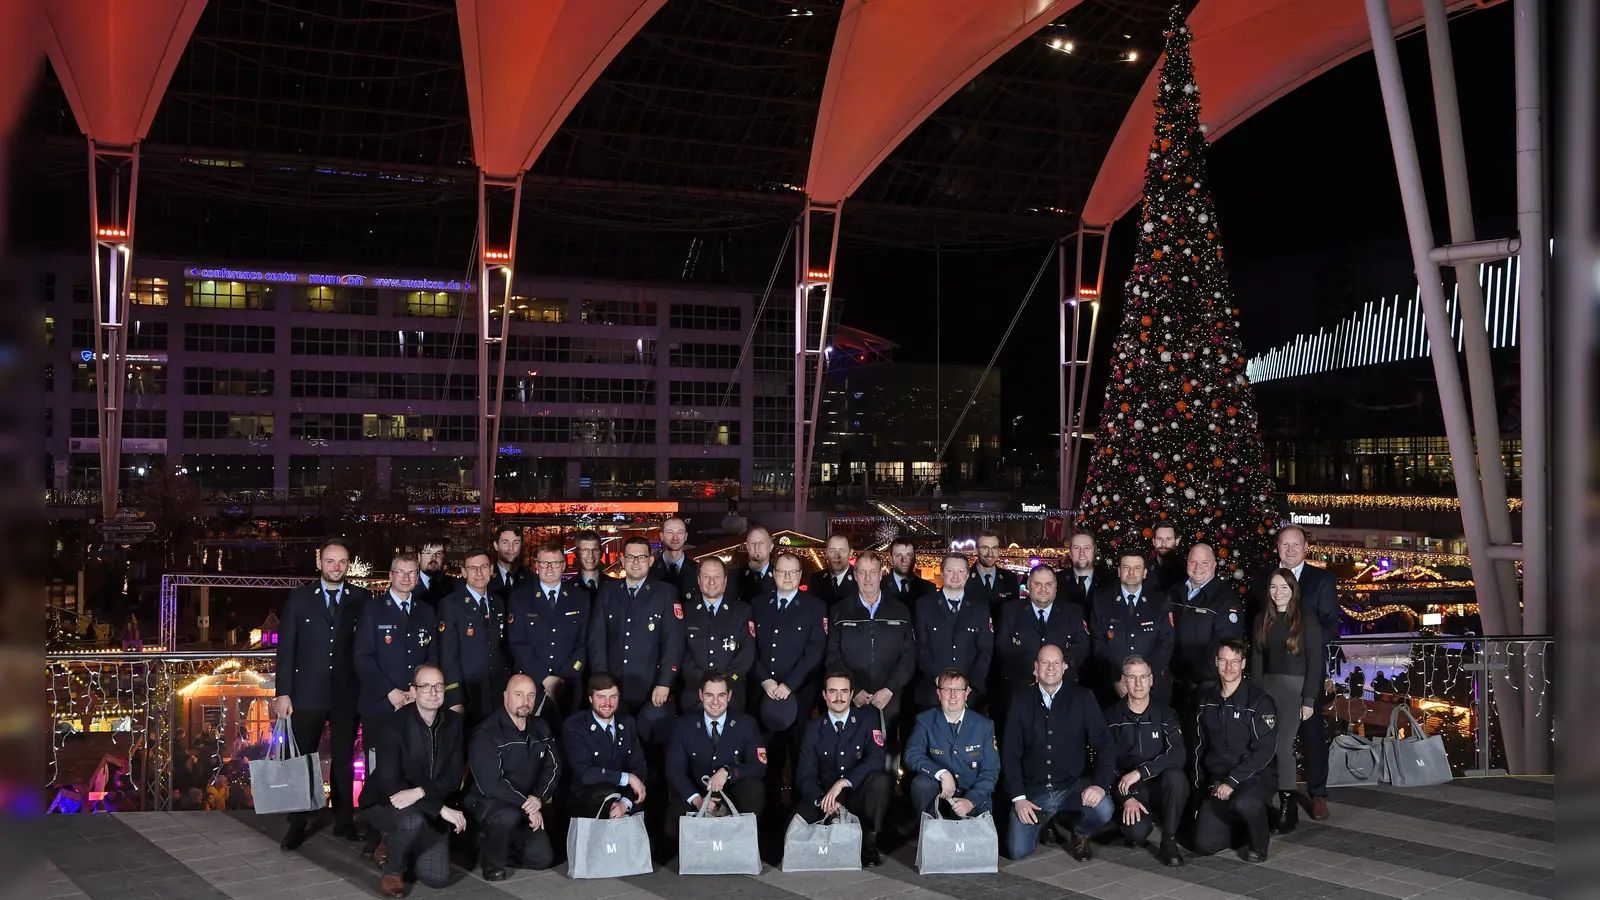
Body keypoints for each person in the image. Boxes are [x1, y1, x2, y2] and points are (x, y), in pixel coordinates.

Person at [274, 538, 371, 850]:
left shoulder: (362, 598)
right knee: (302, 760)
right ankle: (297, 824)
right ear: (319, 562)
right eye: (331, 561)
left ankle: (344, 821)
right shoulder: (299, 599)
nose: (336, 567)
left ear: (348, 564)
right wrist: (283, 693)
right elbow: (286, 650)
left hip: (347, 693)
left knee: (344, 760)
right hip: (306, 693)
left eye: (342, 562)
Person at [1249, 525, 1338, 820]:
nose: (1289, 550)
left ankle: (1318, 794)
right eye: (1284, 545)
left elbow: (1330, 625)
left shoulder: (1321, 579)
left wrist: (1299, 641)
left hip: (1303, 674)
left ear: (1304, 547)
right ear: (1277, 547)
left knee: (1312, 736)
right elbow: (1259, 630)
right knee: (1274, 740)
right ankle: (1274, 794)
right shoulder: (1265, 578)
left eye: (1295, 545)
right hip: (1273, 676)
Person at [353, 554, 440, 854]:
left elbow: (433, 655)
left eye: (411, 573)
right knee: (378, 770)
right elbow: (362, 657)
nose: (406, 578)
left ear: (417, 577)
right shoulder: (373, 610)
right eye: (400, 573)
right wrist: (389, 691)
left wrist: (419, 690)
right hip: (381, 706)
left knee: (412, 766)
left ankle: (406, 829)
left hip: (417, 704)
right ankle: (374, 832)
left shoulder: (427, 612)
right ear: (390, 575)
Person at [1000, 646, 1115, 862]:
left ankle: (1081, 833)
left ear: (1064, 668)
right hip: (1035, 791)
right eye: (1044, 663)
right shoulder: (1020, 700)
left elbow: (1105, 745)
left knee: (1104, 808)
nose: (1050, 668)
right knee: (1018, 852)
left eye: (1055, 663)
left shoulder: (1083, 697)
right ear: (1036, 668)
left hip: (1073, 787)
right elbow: (1010, 753)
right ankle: (1046, 821)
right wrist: (1019, 798)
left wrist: (1100, 784)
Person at [360, 664, 466, 898]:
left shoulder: (454, 723)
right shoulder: (392, 724)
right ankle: (393, 871)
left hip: (423, 802)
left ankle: (397, 844)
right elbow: (389, 782)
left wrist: (419, 793)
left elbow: (452, 776)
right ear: (413, 691)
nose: (433, 692)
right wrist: (439, 808)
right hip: (385, 802)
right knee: (411, 820)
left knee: (437, 878)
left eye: (438, 686)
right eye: (425, 686)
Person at [588, 535, 685, 743]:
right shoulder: (608, 591)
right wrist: (602, 681)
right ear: (622, 560)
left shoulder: (666, 593)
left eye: (641, 557)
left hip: (651, 687)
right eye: (630, 557)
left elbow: (673, 642)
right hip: (613, 686)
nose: (635, 562)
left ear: (650, 561)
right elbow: (596, 639)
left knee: (652, 742)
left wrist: (665, 682)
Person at [465, 674, 561, 881]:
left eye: (531, 695)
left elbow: (553, 768)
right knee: (507, 816)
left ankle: (489, 847)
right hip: (486, 803)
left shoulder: (541, 727)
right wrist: (528, 804)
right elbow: (491, 784)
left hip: (524, 805)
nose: (526, 701)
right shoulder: (486, 733)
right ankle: (493, 865)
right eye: (519, 695)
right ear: (505, 697)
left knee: (542, 858)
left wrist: (538, 799)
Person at [1250, 568, 1324, 835]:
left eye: (1284, 587)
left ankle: (1287, 807)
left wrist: (1309, 699)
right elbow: (1257, 661)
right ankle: (1271, 804)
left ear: (1293, 590)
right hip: (1266, 689)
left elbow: (1316, 663)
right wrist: (1254, 697)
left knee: (1282, 749)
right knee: (1265, 747)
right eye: (1273, 587)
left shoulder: (1307, 620)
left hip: (1294, 691)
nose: (1278, 592)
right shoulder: (1262, 618)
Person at [752, 551, 828, 805]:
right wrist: (765, 680)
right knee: (767, 759)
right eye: (781, 571)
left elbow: (814, 651)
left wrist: (789, 685)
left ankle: (799, 816)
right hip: (765, 695)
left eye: (792, 572)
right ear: (773, 574)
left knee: (800, 759)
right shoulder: (758, 604)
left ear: (799, 575)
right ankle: (770, 818)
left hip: (799, 695)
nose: (786, 577)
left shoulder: (815, 607)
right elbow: (750, 647)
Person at [1193, 637, 1278, 862]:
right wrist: (1201, 785)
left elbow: (1264, 751)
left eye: (1234, 661)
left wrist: (1232, 781)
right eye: (1223, 661)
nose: (1228, 667)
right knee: (1204, 845)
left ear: (1243, 664)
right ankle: (1242, 824)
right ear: (1216, 662)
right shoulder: (1206, 700)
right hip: (1219, 779)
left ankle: (1259, 841)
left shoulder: (1260, 702)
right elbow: (1199, 746)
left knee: (1245, 802)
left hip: (1254, 776)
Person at [794, 670, 891, 867]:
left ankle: (869, 842)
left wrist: (844, 782)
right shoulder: (813, 728)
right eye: (833, 691)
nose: (839, 697)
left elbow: (877, 758)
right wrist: (821, 799)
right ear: (824, 695)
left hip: (857, 790)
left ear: (851, 694)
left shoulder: (867, 718)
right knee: (795, 828)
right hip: (827, 794)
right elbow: (805, 775)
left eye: (844, 691)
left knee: (881, 781)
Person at [826, 553, 916, 754]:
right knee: (850, 749)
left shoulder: (899, 610)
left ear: (881, 574)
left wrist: (890, 689)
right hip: (851, 696)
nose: (867, 578)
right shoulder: (840, 611)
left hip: (889, 696)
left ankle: (889, 784)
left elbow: (909, 656)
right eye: (862, 572)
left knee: (889, 749)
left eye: (872, 572)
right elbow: (833, 656)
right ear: (855, 575)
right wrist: (853, 690)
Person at [663, 672, 767, 841]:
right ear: (700, 695)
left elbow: (759, 767)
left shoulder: (746, 724)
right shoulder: (683, 726)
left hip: (733, 794)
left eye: (721, 695)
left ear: (730, 696)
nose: (715, 702)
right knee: (672, 826)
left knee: (754, 791)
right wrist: (698, 801)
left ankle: (740, 842)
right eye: (709, 695)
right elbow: (675, 771)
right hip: (698, 792)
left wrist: (728, 771)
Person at [1106, 655, 1188, 866]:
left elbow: (1178, 755)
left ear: (1151, 680)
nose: (1138, 683)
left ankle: (1168, 840)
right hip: (1131, 790)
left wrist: (1141, 771)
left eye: (1143, 677)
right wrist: (1126, 798)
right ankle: (1140, 820)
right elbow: (1105, 763)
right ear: (1124, 680)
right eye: (1132, 678)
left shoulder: (1167, 714)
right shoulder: (1111, 717)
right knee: (1136, 834)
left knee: (1177, 777)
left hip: (1160, 784)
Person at [507, 542, 590, 720]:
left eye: (555, 563)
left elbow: (584, 643)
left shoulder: (579, 597)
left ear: (563, 565)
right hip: (531, 685)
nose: (549, 568)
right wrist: (545, 678)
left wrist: (563, 678)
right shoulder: (520, 598)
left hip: (569, 684)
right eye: (544, 563)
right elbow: (518, 643)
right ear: (536, 566)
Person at [1168, 543, 1244, 729]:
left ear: (1214, 565)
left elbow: (1225, 645)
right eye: (1193, 561)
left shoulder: (1225, 599)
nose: (1197, 567)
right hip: (1171, 683)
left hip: (1204, 686)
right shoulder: (1173, 593)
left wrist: (1198, 679)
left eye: (1204, 562)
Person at [1087, 551, 1175, 710]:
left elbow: (1166, 642)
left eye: (1137, 568)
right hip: (1112, 688)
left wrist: (1144, 679)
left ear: (1145, 572)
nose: (1131, 573)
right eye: (1126, 567)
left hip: (1153, 686)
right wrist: (1116, 680)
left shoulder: (1160, 600)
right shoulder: (1101, 599)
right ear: (1119, 571)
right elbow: (1098, 642)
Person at [994, 565, 1090, 706]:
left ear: (1056, 586)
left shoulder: (1074, 612)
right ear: (1028, 585)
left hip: (1065, 690)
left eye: (1048, 584)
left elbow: (1083, 645)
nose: (1043, 589)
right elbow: (1002, 646)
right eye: (1037, 584)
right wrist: (1035, 669)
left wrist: (1060, 667)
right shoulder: (1010, 611)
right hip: (1021, 689)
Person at [438, 548, 510, 728]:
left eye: (484, 567)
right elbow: (447, 655)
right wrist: (454, 697)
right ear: (463, 572)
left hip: (497, 690)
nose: (479, 573)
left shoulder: (498, 602)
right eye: (473, 568)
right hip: (468, 692)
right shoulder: (450, 604)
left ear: (492, 570)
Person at [562, 672, 649, 818]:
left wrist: (625, 802)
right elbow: (585, 773)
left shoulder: (627, 723)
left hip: (624, 801)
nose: (607, 703)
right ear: (590, 698)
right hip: (587, 801)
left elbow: (638, 767)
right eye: (601, 697)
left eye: (613, 697)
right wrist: (627, 778)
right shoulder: (574, 726)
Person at [914, 554, 994, 710]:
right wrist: (940, 681)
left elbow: (985, 650)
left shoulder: (980, 607)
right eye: (950, 570)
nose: (955, 576)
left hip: (970, 695)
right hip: (933, 692)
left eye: (961, 571)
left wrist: (967, 686)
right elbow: (921, 647)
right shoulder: (924, 605)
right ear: (942, 573)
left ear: (967, 575)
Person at [679, 557, 755, 713]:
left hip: (732, 694)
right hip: (695, 694)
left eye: (717, 577)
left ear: (725, 581)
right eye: (706, 577)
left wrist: (725, 684)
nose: (711, 582)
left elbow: (747, 654)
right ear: (699, 581)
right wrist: (704, 683)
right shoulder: (686, 611)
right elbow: (680, 652)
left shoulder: (742, 611)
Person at [648, 516, 699, 595]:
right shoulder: (649, 571)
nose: (675, 538)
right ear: (661, 536)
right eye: (670, 532)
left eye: (680, 532)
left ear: (686, 536)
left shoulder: (698, 571)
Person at [969, 532, 1021, 607]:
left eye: (994, 548)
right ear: (976, 550)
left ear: (999, 550)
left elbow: (1015, 612)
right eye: (985, 548)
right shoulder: (964, 578)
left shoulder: (1010, 578)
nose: (990, 553)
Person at [1061, 532, 1110, 607]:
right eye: (1076, 548)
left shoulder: (1110, 582)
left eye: (1087, 548)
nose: (1082, 553)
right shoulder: (1056, 581)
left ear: (1094, 552)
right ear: (1070, 553)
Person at [883, 536, 935, 608]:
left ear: (914, 558)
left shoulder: (928, 588)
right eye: (898, 555)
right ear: (891, 559)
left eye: (908, 555)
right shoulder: (878, 587)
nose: (904, 560)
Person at [805, 534, 857, 605]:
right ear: (826, 552)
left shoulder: (860, 579)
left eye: (842, 550)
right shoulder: (815, 579)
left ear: (850, 553)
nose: (837, 556)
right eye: (832, 550)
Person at [737, 526, 777, 603]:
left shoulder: (779, 577)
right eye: (753, 543)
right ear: (747, 547)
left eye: (761, 543)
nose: (757, 547)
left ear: (771, 547)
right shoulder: (734, 576)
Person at [415, 539, 458, 608]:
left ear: (444, 558)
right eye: (428, 553)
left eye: (439, 553)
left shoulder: (455, 586)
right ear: (419, 557)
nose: (433, 558)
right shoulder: (407, 584)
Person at [489, 526, 527, 603]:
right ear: (496, 545)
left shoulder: (532, 579)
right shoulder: (485, 578)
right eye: (505, 542)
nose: (511, 548)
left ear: (521, 546)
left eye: (516, 542)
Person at [568, 530, 606, 605]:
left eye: (595, 550)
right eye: (585, 550)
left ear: (601, 553)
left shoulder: (616, 587)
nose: (590, 555)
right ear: (576, 554)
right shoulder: (566, 588)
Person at [1147, 524, 1185, 593]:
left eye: (1169, 539)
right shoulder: (1145, 570)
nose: (1163, 544)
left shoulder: (1186, 572)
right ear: (1153, 541)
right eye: (1159, 539)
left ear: (1177, 541)